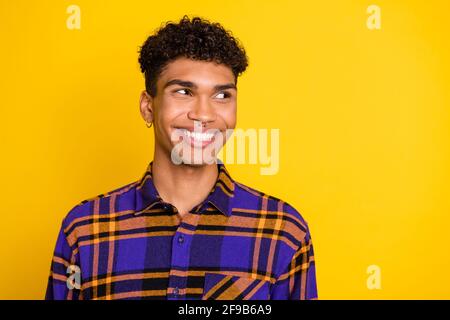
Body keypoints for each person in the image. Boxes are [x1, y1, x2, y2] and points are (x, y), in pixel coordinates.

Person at [45, 15, 317, 300]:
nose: (204, 114)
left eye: (222, 96)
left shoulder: (283, 232)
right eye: (184, 92)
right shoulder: (84, 230)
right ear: (148, 107)